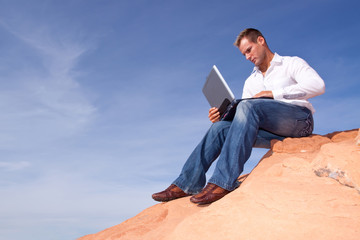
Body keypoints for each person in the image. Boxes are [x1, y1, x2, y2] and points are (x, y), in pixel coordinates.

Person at [152, 28, 325, 205]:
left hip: (299, 121)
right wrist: (222, 117)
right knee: (220, 128)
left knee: (248, 105)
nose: (247, 57)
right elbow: (243, 121)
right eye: (244, 54)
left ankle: (223, 181)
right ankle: (188, 183)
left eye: (249, 50)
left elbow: (318, 85)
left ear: (261, 40)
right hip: (271, 132)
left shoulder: (290, 63)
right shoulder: (251, 81)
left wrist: (273, 94)